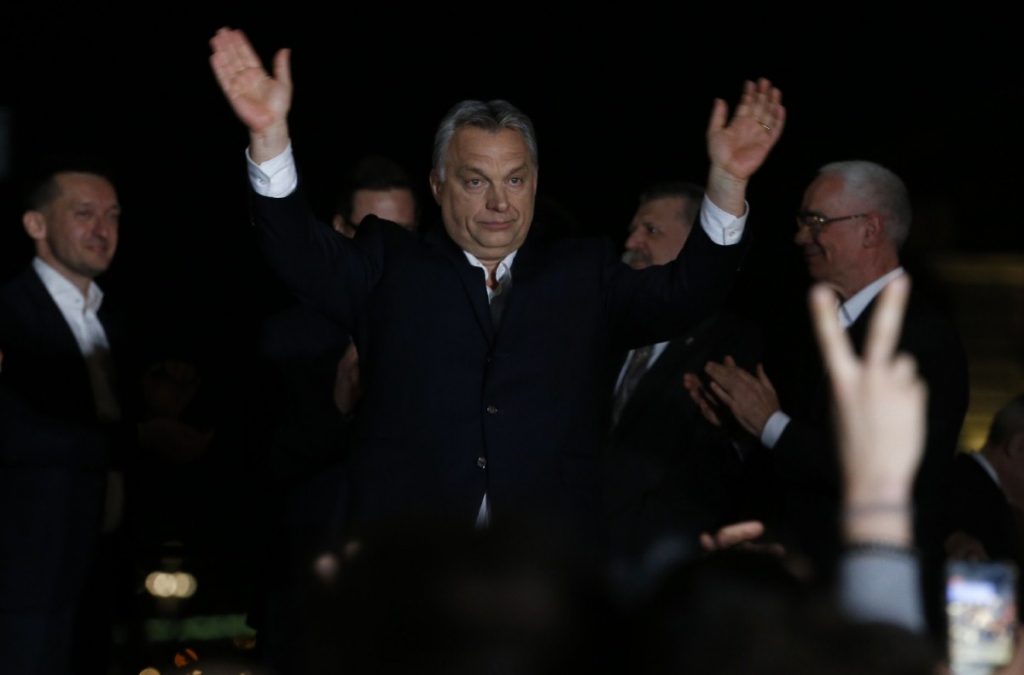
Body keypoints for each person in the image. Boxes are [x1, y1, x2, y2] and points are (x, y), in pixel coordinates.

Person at [208, 27, 785, 557]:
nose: (499, 203)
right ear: (437, 185)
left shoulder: (584, 273)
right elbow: (297, 251)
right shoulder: (390, 264)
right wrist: (269, 136)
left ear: (535, 183)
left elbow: (688, 293)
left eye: (515, 179)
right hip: (410, 568)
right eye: (476, 180)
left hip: (545, 576)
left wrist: (729, 181)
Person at [686, 161, 969, 597]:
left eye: (815, 221)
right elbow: (805, 454)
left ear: (870, 229)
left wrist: (771, 426)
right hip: (805, 585)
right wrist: (744, 431)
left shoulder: (921, 335)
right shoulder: (814, 328)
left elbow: (888, 472)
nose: (801, 237)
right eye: (802, 222)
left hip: (873, 592)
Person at [603, 180, 763, 581]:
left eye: (651, 231)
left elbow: (737, 462)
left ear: (697, 243)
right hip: (583, 557)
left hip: (667, 570)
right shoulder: (601, 325)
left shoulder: (730, 343)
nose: (632, 241)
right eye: (634, 229)